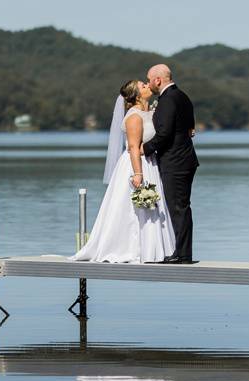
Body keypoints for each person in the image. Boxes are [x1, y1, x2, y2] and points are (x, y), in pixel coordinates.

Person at [70, 80, 175, 263]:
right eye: (143, 86)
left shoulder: (150, 112)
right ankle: (133, 248)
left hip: (150, 163)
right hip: (137, 165)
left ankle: (155, 249)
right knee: (136, 207)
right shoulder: (134, 116)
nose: (147, 86)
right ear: (136, 96)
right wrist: (138, 174)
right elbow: (134, 147)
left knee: (150, 206)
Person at [143, 64, 199, 264]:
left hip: (175, 161)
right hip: (185, 158)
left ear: (158, 80)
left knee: (178, 207)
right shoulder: (183, 96)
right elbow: (190, 128)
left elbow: (164, 133)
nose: (149, 83)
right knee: (181, 207)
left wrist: (145, 149)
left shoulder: (167, 100)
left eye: (149, 79)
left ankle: (182, 254)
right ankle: (182, 252)